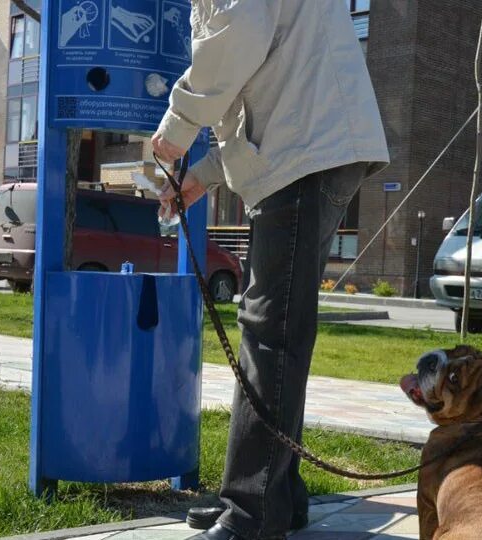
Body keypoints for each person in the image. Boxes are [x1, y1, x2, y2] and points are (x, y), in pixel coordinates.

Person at [151, 2, 389, 539]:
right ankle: (276, 496)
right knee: (273, 327)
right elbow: (261, 72)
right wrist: (206, 174)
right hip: (308, 145)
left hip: (305, 149)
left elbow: (240, 36)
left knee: (270, 332)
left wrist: (180, 123)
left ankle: (254, 512)